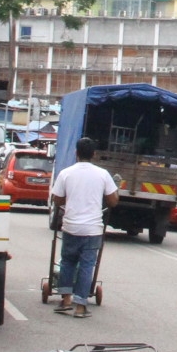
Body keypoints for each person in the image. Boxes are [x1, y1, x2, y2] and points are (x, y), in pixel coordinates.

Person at [50, 136, 117, 318]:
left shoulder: (66, 173)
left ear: (76, 153)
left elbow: (57, 199)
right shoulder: (102, 174)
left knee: (68, 262)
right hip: (92, 229)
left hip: (71, 226)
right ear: (94, 154)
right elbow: (113, 200)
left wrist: (71, 198)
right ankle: (80, 306)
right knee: (87, 266)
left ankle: (65, 301)